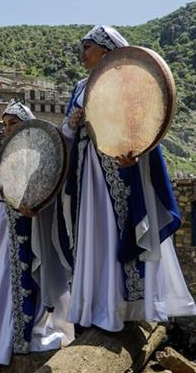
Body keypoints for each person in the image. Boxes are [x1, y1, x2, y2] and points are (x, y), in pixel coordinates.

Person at [62, 25, 196, 331]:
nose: (82, 53)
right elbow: (66, 135)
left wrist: (134, 155)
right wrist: (70, 124)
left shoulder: (128, 80)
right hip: (87, 171)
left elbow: (141, 123)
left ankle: (119, 306)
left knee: (115, 229)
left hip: (119, 170)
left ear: (107, 50)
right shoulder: (80, 87)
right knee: (91, 231)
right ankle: (93, 304)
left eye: (88, 46)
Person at [0, 101, 74, 365]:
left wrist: (36, 205)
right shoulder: (6, 153)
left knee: (19, 276)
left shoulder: (41, 152)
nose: (8, 129)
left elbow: (48, 188)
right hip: (1, 227)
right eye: (6, 124)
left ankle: (18, 331)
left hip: (25, 227)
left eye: (13, 123)